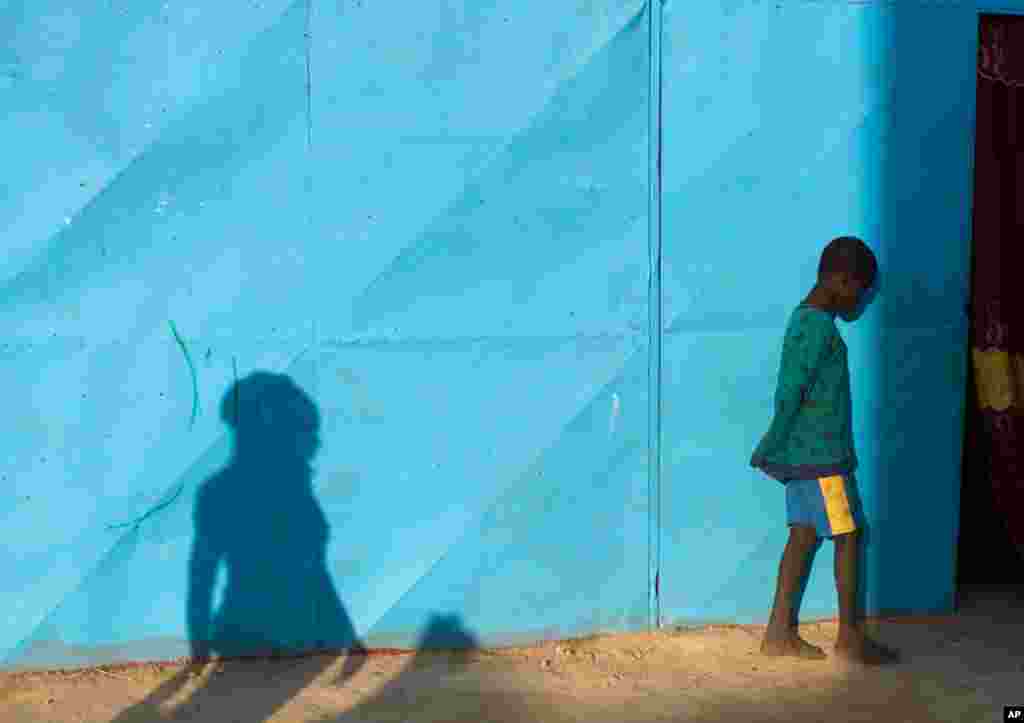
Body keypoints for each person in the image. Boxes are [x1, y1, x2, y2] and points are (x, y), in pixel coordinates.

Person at [750, 236, 900, 665]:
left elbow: (790, 390)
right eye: (860, 291)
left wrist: (780, 445)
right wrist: (772, 441)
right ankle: (850, 638)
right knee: (848, 535)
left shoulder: (802, 320)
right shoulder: (818, 328)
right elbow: (790, 391)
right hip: (823, 460)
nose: (861, 302)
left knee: (802, 534)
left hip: (803, 459)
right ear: (839, 280)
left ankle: (778, 633)